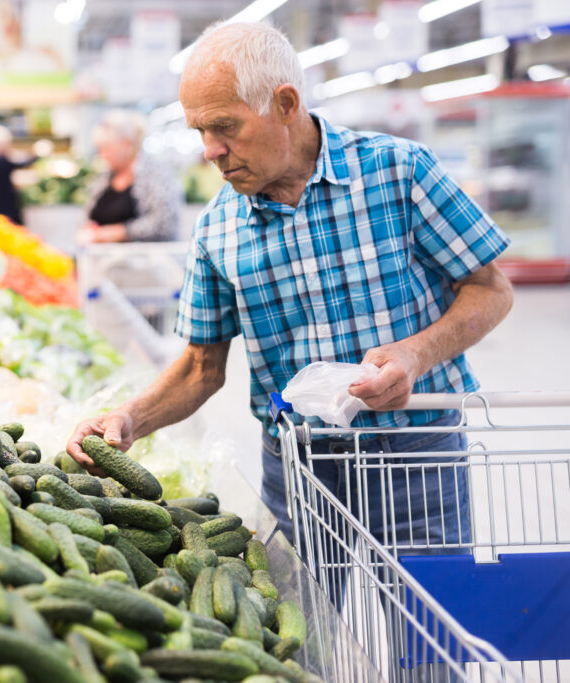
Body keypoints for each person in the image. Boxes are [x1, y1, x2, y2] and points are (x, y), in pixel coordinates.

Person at [66, 22, 513, 549]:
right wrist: (127, 420)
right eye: (200, 132)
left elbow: (490, 288)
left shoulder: (399, 172)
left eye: (224, 126)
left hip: (416, 454)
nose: (211, 150)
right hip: (300, 468)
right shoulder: (217, 229)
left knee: (425, 622)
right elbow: (199, 369)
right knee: (305, 627)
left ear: (284, 104)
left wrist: (415, 354)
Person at [78, 110, 182, 244]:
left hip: (147, 262)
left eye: (107, 148)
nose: (102, 154)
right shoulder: (103, 177)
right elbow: (86, 214)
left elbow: (164, 223)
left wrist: (120, 232)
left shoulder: (157, 174)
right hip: (103, 261)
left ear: (126, 144)